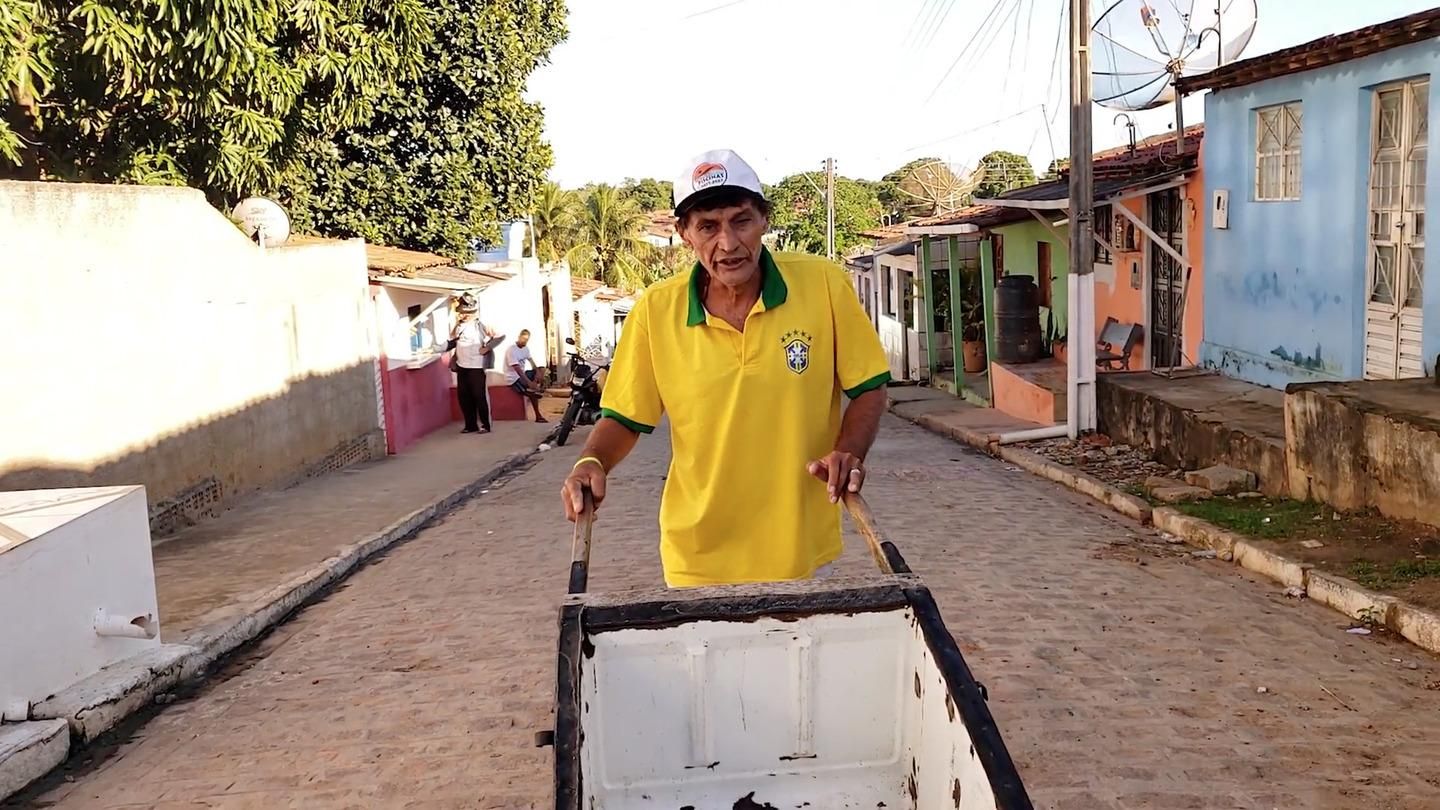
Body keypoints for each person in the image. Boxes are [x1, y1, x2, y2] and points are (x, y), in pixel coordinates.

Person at [560, 149, 891, 588]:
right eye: (708, 227)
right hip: (697, 555)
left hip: (800, 548)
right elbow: (624, 416)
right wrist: (591, 460)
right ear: (684, 234)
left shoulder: (823, 284)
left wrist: (850, 450)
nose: (729, 243)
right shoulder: (656, 311)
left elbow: (869, 386)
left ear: (765, 220)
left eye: (741, 220)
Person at [449, 293, 497, 435]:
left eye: (465, 313)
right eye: (462, 312)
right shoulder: (459, 327)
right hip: (461, 366)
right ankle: (470, 425)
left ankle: (485, 425)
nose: (463, 315)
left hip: (476, 366)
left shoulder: (480, 325)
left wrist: (487, 348)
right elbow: (452, 340)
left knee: (479, 396)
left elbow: (499, 336)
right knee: (464, 396)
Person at [505, 329, 548, 423]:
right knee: (533, 393)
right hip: (513, 378)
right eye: (523, 339)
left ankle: (536, 388)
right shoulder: (511, 350)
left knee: (542, 369)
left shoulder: (526, 349)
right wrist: (529, 382)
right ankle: (538, 415)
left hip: (522, 375)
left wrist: (538, 373)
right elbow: (517, 369)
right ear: (519, 337)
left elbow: (531, 361)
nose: (524, 342)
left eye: (527, 340)